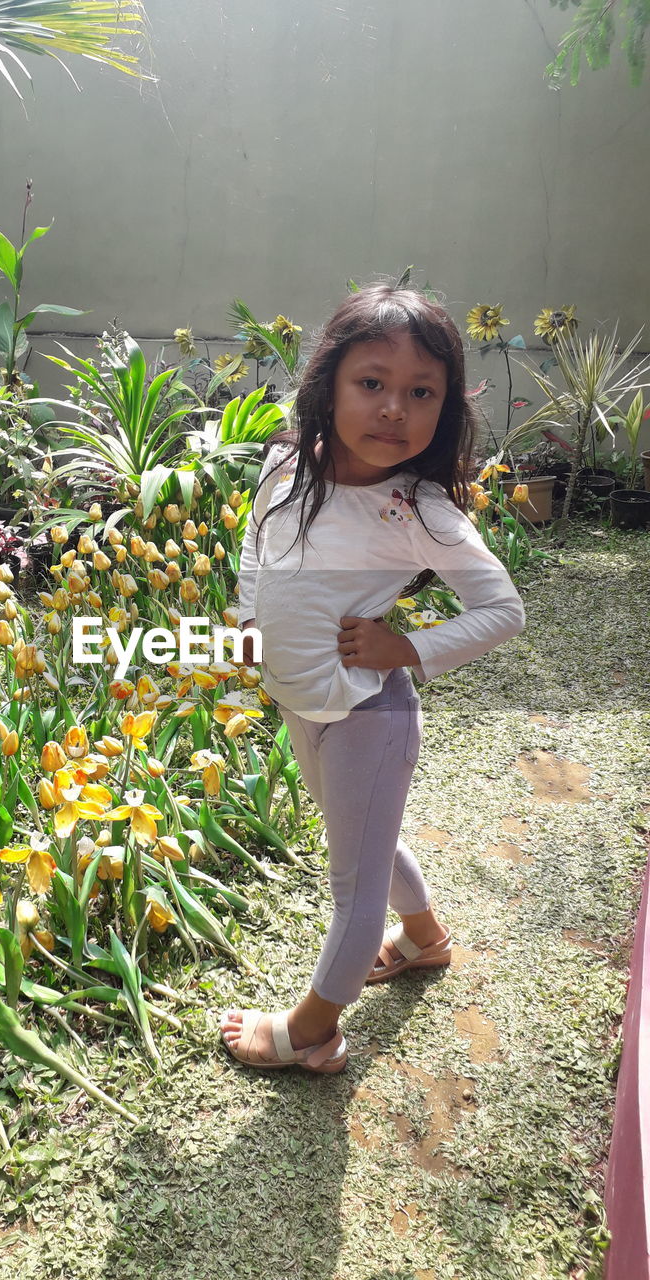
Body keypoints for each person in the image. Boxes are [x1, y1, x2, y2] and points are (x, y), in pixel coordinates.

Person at [219, 282, 525, 1074]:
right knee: (361, 838)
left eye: (420, 392)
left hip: (367, 716)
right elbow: (258, 548)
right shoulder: (286, 466)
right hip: (302, 702)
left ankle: (312, 1028)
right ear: (329, 385)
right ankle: (424, 941)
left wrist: (406, 648)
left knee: (352, 882)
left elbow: (503, 611)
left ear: (443, 409)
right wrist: (250, 622)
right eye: (372, 384)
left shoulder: (420, 511)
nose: (394, 408)